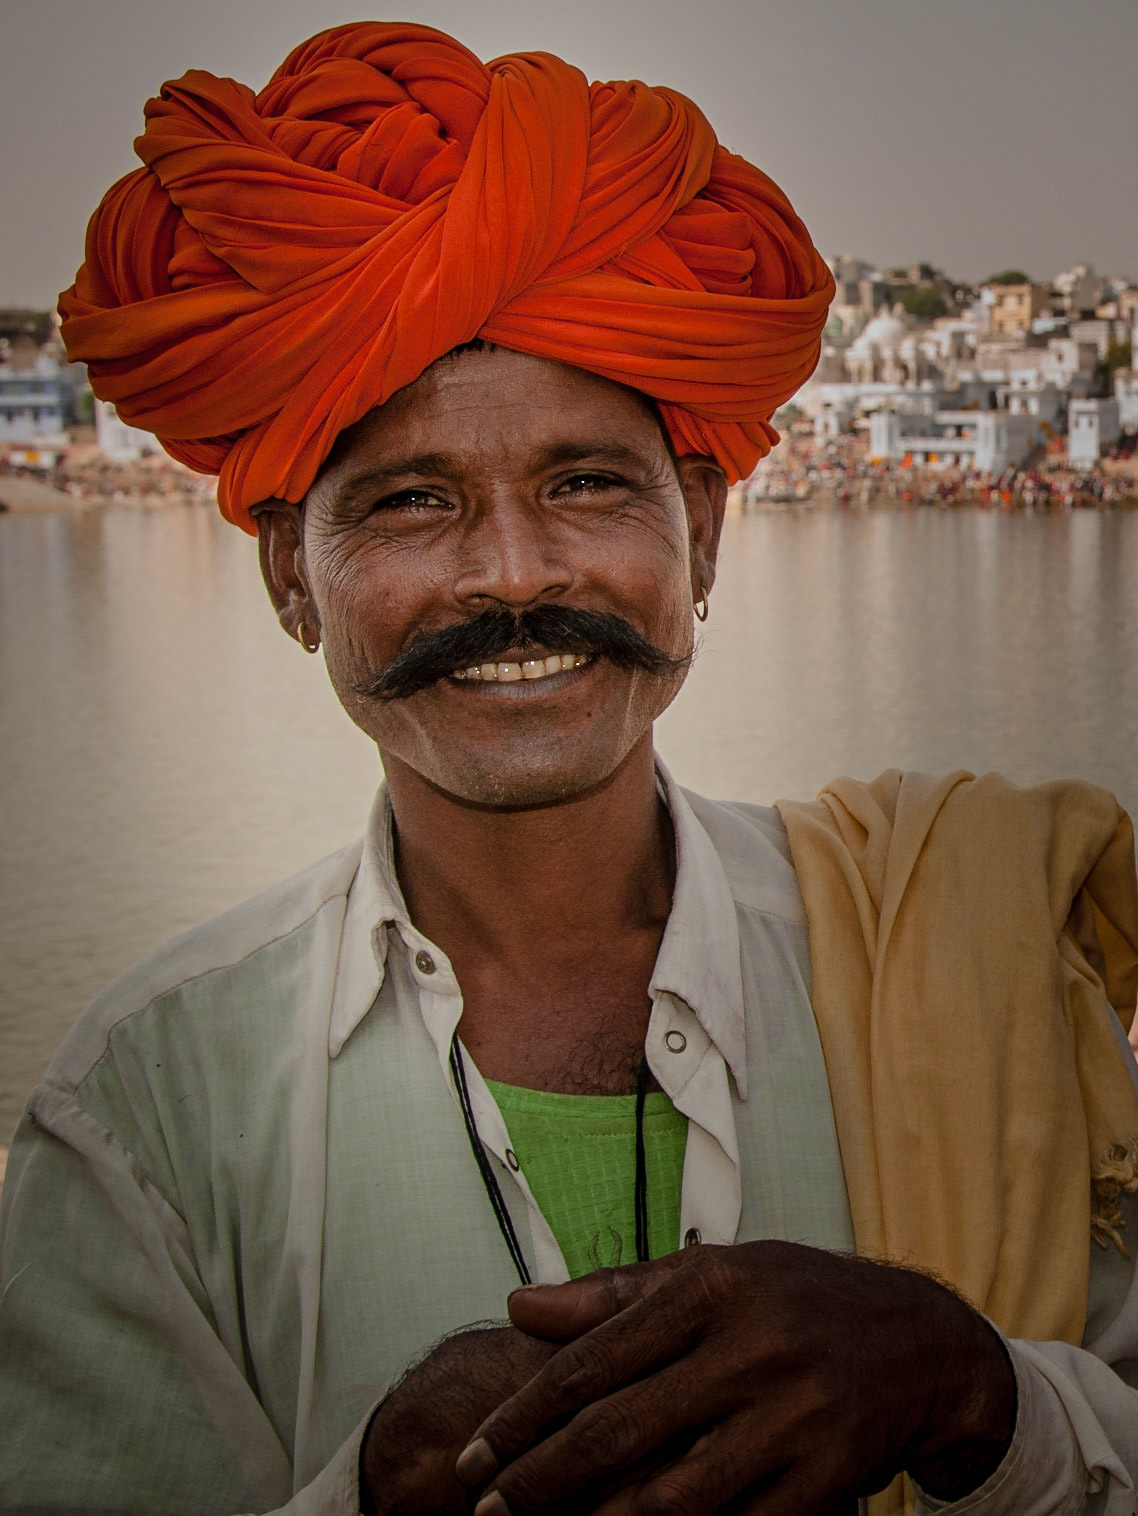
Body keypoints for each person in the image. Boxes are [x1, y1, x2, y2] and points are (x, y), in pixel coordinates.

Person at [2, 20, 1137, 1516]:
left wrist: (970, 1390)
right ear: (292, 578)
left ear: (704, 535)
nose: (512, 573)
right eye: (410, 502)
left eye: (586, 484)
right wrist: (370, 1492)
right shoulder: (150, 1105)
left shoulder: (970, 956)